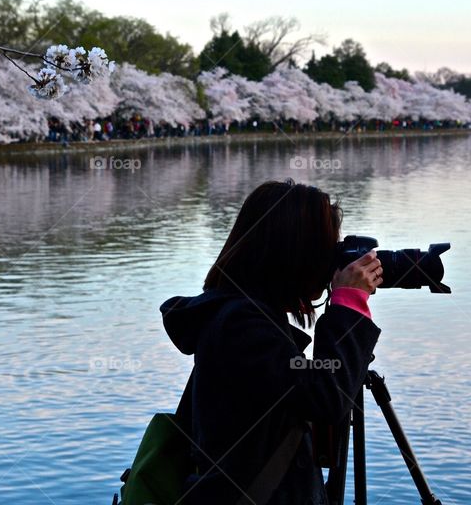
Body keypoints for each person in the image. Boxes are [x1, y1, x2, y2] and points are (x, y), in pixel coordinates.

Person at [160, 180, 383, 504]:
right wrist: (349, 304)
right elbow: (326, 398)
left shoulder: (233, 314)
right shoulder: (241, 324)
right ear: (294, 253)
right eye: (326, 248)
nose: (330, 262)